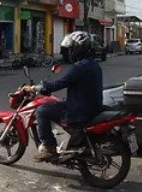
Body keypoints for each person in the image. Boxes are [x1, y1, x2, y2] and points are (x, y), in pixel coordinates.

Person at [24, 31, 103, 162]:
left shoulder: (79, 67)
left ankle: (50, 148)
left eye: (71, 49)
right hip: (90, 105)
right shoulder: (93, 64)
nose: (69, 52)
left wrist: (36, 88)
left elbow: (60, 83)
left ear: (78, 49)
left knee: (42, 111)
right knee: (60, 102)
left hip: (80, 111)